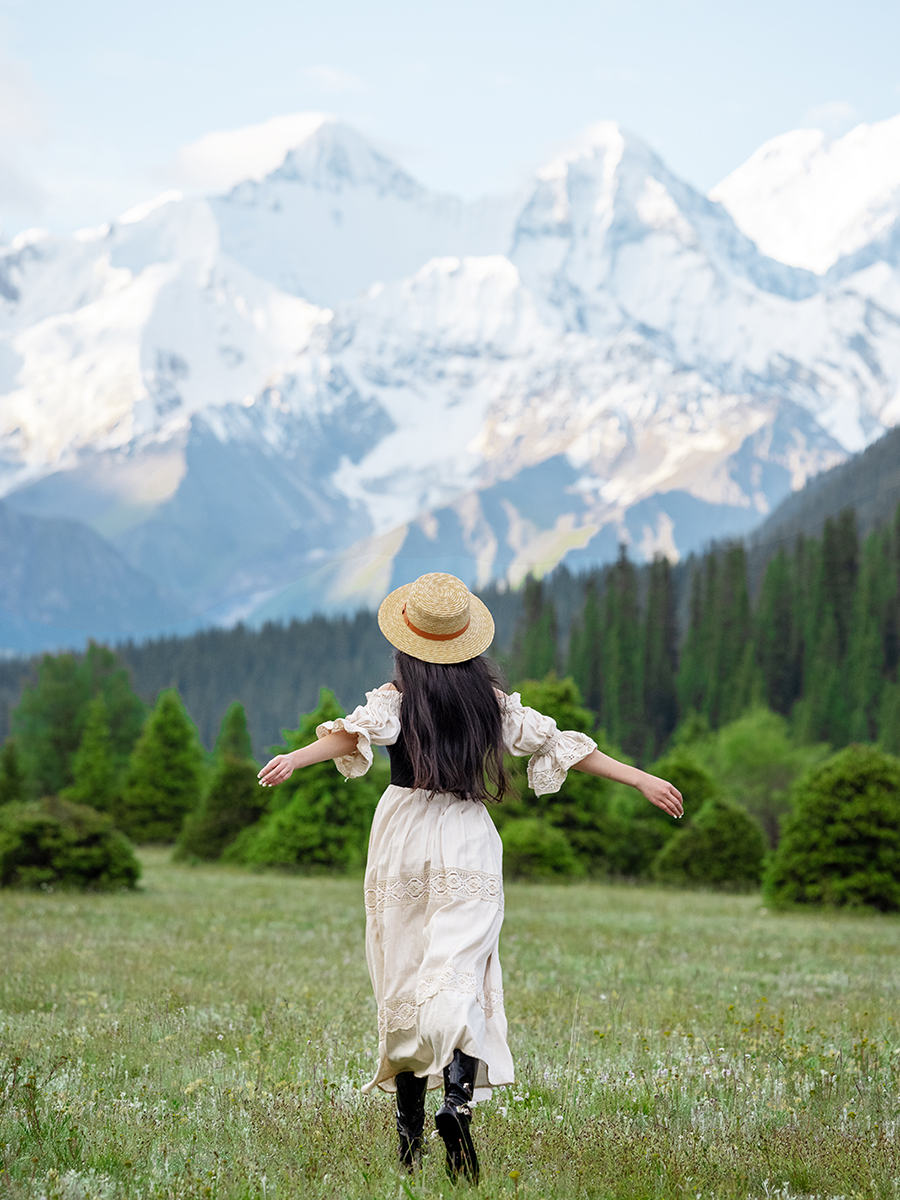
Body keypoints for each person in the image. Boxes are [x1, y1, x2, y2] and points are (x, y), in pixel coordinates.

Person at [258, 572, 683, 1183]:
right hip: (465, 834)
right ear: (468, 641)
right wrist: (639, 777)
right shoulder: (492, 702)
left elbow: (352, 735)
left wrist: (295, 759)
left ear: (407, 641)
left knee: (403, 966)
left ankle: (408, 1145)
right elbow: (561, 746)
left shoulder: (396, 697)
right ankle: (456, 1103)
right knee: (462, 964)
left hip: (402, 831)